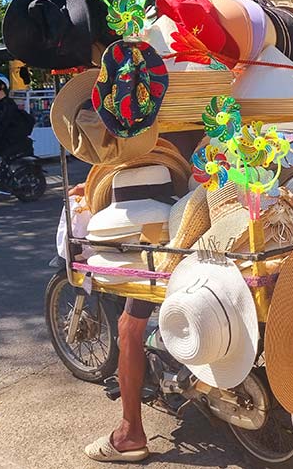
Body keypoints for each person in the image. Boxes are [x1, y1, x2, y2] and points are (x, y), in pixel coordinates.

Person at [82, 130, 205, 463]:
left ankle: (130, 432)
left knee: (128, 329)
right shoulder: (198, 104)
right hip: (184, 226)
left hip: (153, 244)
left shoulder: (139, 112)